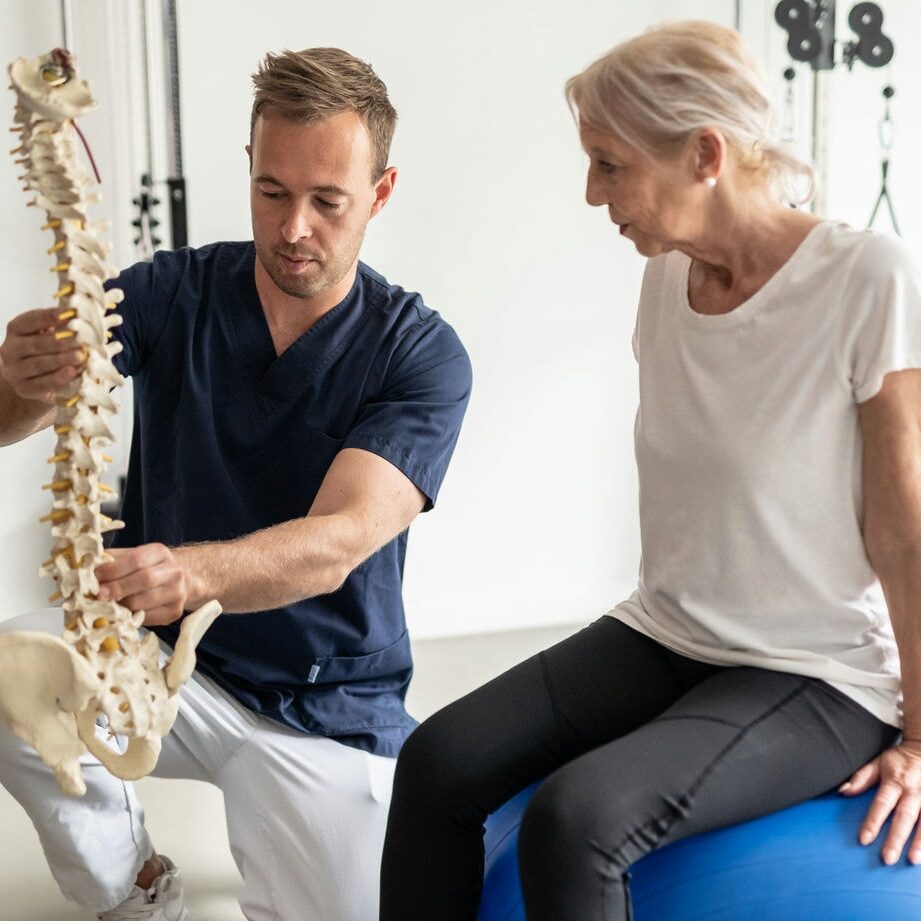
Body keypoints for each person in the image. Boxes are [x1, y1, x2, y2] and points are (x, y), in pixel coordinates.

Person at [379, 20, 921, 921]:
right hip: (667, 631)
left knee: (577, 818)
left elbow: (904, 528)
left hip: (814, 669)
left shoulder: (866, 279)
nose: (591, 193)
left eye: (609, 163)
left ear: (703, 153)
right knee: (435, 761)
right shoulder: (664, 280)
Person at [0, 47, 471, 921]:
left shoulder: (419, 354)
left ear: (381, 192)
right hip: (147, 656)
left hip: (320, 700)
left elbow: (340, 539)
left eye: (327, 201)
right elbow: (23, 409)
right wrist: (19, 386)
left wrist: (193, 572)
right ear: (249, 172)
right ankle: (132, 884)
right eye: (272, 192)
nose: (294, 227)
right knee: (6, 673)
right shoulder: (171, 292)